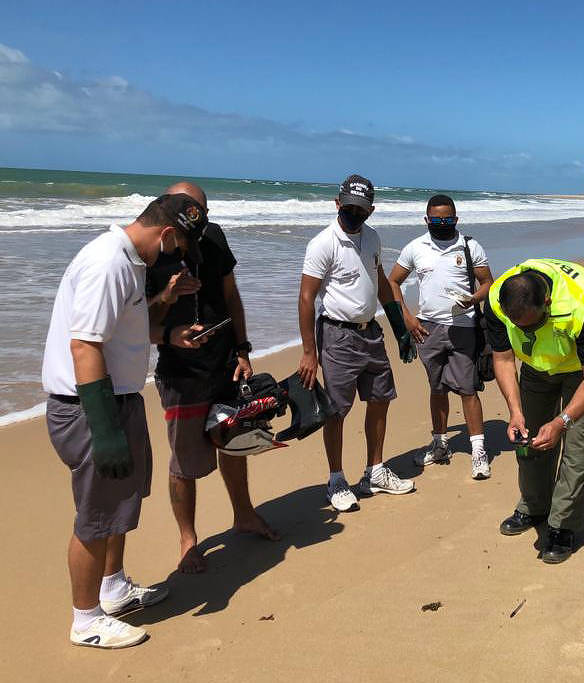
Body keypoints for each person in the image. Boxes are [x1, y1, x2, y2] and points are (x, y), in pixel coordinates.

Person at [42, 193, 209, 648]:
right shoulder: (107, 264)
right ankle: (86, 619)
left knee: (120, 504)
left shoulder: (130, 263)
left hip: (120, 401)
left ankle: (112, 588)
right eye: (177, 247)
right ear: (166, 233)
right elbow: (85, 347)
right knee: (96, 516)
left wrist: (169, 334)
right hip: (90, 408)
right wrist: (105, 429)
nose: (176, 257)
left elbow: (128, 331)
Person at [147, 181, 280, 575]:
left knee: (233, 442)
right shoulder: (154, 251)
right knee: (184, 462)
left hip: (224, 363)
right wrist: (168, 295)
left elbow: (231, 294)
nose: (196, 223)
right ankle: (188, 540)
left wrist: (242, 350)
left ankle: (244, 514)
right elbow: (141, 322)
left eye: (201, 214)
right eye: (188, 214)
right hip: (181, 373)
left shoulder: (214, 236)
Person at [485, 258, 584, 564]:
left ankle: (563, 526)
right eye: (519, 327)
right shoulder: (496, 300)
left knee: (576, 446)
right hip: (537, 367)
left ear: (547, 302)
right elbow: (504, 360)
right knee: (527, 438)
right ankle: (534, 506)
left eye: (533, 324)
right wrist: (515, 411)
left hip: (583, 372)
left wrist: (562, 420)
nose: (526, 332)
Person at [297, 174, 417, 511]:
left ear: (371, 210)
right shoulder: (323, 243)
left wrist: (399, 330)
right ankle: (336, 478)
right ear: (337, 204)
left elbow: (380, 284)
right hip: (337, 335)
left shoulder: (373, 238)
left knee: (381, 399)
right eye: (349, 208)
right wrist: (309, 351)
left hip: (371, 333)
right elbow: (307, 298)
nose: (354, 214)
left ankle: (374, 471)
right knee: (336, 410)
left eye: (361, 210)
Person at [387, 194, 494, 479]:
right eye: (436, 221)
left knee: (468, 388)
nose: (442, 224)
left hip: (463, 327)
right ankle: (439, 443)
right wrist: (408, 319)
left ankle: (479, 450)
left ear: (455, 219)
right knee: (436, 387)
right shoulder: (415, 247)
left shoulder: (470, 246)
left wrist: (473, 300)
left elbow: (488, 282)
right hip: (427, 328)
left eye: (447, 220)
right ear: (427, 220)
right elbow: (393, 282)